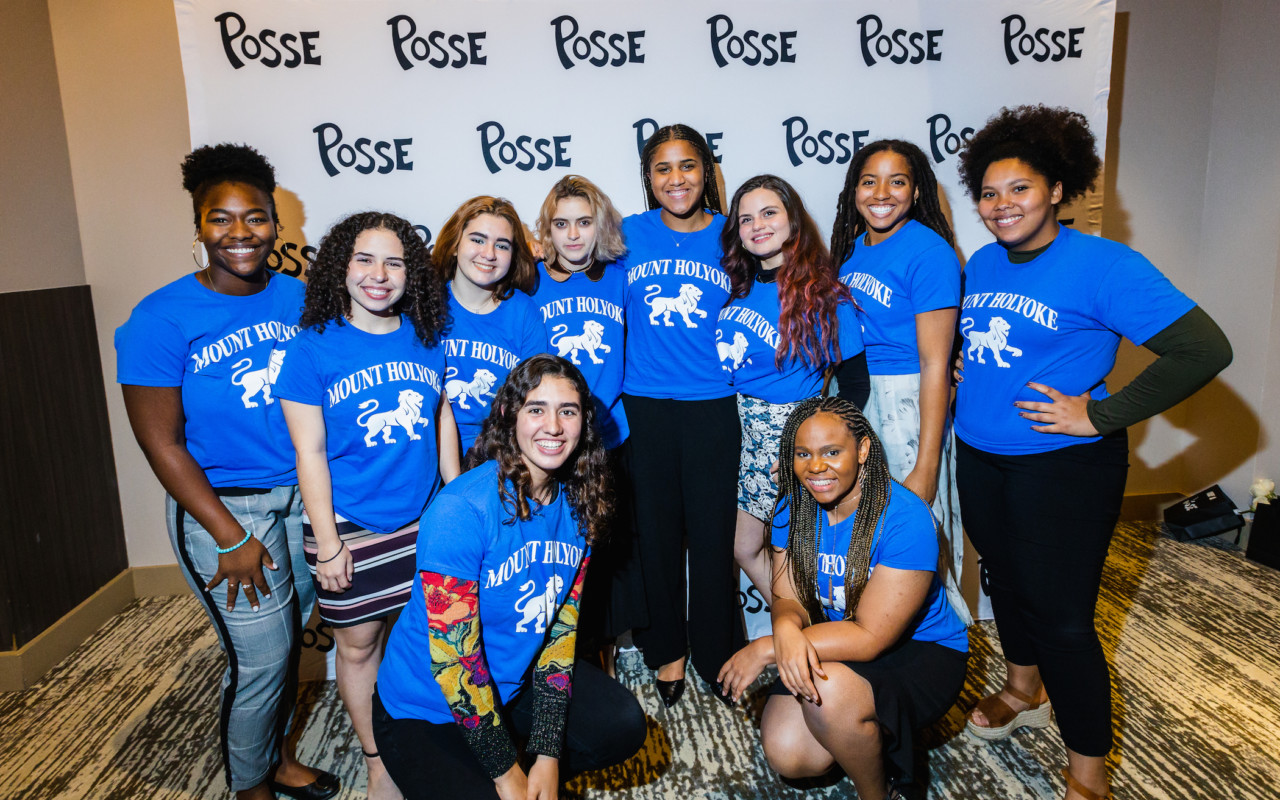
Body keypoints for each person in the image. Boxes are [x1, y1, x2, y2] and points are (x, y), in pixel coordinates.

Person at [954, 105, 1231, 800]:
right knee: (1005, 583)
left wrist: (1101, 414)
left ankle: (1088, 779)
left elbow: (1204, 349)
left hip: (1063, 469)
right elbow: (1003, 341)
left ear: (1055, 188)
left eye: (1019, 189)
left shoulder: (1105, 265)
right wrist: (969, 369)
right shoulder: (984, 261)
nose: (1001, 206)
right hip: (981, 456)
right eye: (988, 193)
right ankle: (1024, 691)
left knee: (1065, 619)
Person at [114, 143, 338, 800]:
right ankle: (250, 787)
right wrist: (231, 538)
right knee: (261, 662)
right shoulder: (159, 319)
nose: (240, 233)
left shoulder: (302, 300)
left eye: (256, 217)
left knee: (288, 640)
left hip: (300, 500)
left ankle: (275, 759)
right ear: (199, 226)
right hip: (225, 511)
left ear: (276, 224)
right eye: (222, 218)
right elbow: (163, 446)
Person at [371, 355, 648, 800]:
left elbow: (560, 631)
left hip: (511, 686)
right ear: (508, 415)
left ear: (584, 423)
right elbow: (454, 664)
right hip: (427, 706)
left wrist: (547, 754)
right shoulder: (460, 510)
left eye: (568, 411)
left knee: (623, 725)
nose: (553, 426)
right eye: (536, 409)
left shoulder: (580, 503)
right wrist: (506, 772)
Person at [274, 212, 458, 800]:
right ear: (340, 267)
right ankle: (378, 758)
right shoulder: (312, 348)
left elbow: (441, 418)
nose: (379, 275)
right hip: (351, 527)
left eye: (395, 262)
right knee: (357, 647)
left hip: (424, 518)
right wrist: (327, 542)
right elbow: (310, 451)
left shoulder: (428, 335)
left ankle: (427, 741)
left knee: (424, 641)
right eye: (364, 260)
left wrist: (454, 500)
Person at [717, 397, 967, 800]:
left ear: (863, 449)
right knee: (789, 751)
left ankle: (877, 792)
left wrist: (767, 648)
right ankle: (862, 730)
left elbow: (870, 636)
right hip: (840, 637)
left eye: (832, 452)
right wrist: (784, 626)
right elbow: (789, 598)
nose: (816, 466)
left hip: (921, 650)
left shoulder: (905, 517)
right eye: (803, 454)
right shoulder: (794, 506)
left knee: (828, 694)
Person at [620, 123, 744, 707]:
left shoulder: (733, 235)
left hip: (713, 405)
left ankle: (717, 651)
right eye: (663, 168)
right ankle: (666, 648)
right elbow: (567, 266)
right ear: (649, 178)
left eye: (688, 166)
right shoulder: (625, 235)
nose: (677, 179)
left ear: (707, 172)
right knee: (658, 536)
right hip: (642, 406)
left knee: (714, 536)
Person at [829, 139, 971, 624]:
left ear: (916, 193)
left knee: (915, 542)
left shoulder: (929, 252)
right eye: (869, 181)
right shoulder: (854, 251)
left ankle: (938, 653)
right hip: (860, 400)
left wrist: (927, 464)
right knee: (867, 541)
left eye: (898, 181)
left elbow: (937, 364)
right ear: (854, 190)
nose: (881, 193)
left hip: (908, 400)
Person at [717, 174, 869, 604]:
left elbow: (856, 385)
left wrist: (813, 450)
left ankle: (819, 644)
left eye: (769, 213)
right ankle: (802, 631)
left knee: (799, 555)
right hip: (742, 436)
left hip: (791, 436)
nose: (757, 225)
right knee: (744, 547)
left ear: (793, 221)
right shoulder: (736, 288)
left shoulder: (824, 296)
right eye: (745, 218)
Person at [531, 175, 645, 672]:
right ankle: (557, 653)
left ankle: (604, 650)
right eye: (561, 224)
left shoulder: (620, 273)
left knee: (607, 548)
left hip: (609, 432)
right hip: (553, 437)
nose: (573, 235)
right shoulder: (529, 280)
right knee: (558, 548)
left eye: (584, 222)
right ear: (546, 230)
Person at [432, 196, 549, 458]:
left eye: (502, 245)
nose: (489, 253)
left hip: (497, 451)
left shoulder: (523, 312)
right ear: (454, 244)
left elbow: (531, 397)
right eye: (477, 239)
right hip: (426, 447)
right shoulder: (427, 303)